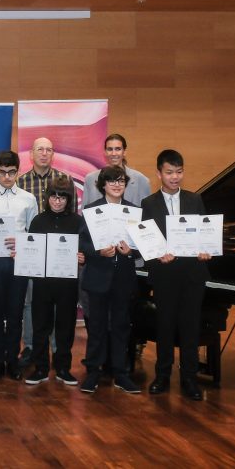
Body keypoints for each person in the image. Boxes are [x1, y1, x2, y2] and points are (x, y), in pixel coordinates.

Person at [141, 150, 211, 401]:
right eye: (169, 172)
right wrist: (157, 253)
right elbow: (146, 240)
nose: (175, 177)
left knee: (190, 326)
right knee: (165, 325)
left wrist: (206, 250)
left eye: (179, 172)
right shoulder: (148, 204)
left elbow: (205, 234)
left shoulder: (195, 199)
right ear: (159, 173)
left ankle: (190, 378)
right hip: (165, 275)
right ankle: (162, 376)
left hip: (192, 274)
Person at [0, 150, 38, 381]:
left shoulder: (28, 199)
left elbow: (34, 234)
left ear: (18, 171)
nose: (7, 177)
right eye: (2, 172)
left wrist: (24, 246)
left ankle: (12, 360)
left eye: (12, 172)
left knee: (15, 314)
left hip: (18, 261)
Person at [79, 166, 141, 394]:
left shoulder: (134, 211)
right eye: (112, 181)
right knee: (96, 327)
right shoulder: (90, 210)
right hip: (98, 278)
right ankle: (93, 372)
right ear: (102, 184)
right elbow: (83, 243)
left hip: (123, 278)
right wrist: (98, 252)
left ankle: (121, 373)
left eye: (121, 181)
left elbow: (141, 248)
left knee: (121, 326)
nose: (117, 185)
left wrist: (131, 252)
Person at [20, 176, 85, 387]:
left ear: (69, 199)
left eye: (62, 198)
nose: (57, 201)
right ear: (47, 197)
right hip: (42, 283)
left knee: (65, 326)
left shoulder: (77, 222)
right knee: (40, 326)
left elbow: (84, 250)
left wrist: (82, 256)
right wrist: (23, 255)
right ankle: (40, 368)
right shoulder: (38, 220)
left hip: (67, 284)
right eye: (54, 197)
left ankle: (63, 368)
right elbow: (31, 250)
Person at [16, 137, 75, 367]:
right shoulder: (21, 182)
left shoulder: (64, 180)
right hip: (34, 254)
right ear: (31, 153)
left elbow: (72, 215)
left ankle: (56, 350)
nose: (44, 153)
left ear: (53, 154)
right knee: (33, 303)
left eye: (48, 150)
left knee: (60, 306)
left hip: (61, 256)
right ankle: (31, 347)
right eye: (39, 149)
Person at [82, 134, 151, 207]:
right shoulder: (91, 179)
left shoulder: (141, 180)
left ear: (124, 152)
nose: (113, 154)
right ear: (105, 152)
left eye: (118, 149)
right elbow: (85, 211)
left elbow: (146, 212)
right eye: (110, 149)